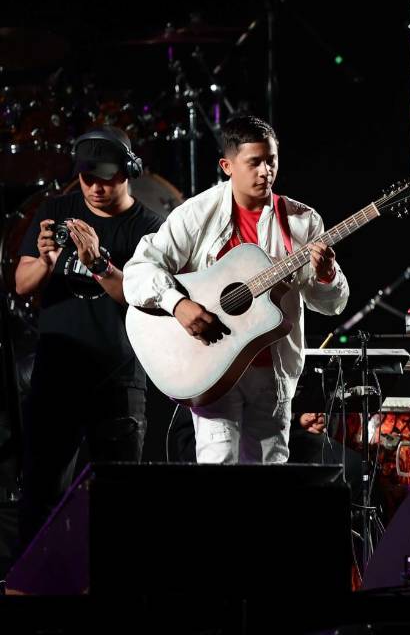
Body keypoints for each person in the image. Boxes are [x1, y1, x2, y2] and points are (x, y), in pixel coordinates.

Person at [123, 115, 349, 464]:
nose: (265, 171)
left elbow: (331, 305)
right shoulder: (197, 213)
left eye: (271, 160)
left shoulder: (302, 221)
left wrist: (325, 274)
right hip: (213, 366)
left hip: (273, 371)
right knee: (219, 468)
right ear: (227, 165)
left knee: (269, 476)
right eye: (254, 162)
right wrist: (177, 303)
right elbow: (138, 271)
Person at [13, 126, 164, 548]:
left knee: (116, 501)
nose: (96, 188)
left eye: (107, 177)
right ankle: (33, 599)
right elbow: (22, 283)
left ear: (129, 172)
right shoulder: (58, 210)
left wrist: (98, 262)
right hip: (56, 374)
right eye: (87, 178)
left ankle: (112, 600)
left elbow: (146, 301)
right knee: (40, 495)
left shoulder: (151, 229)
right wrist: (44, 261)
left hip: (117, 377)